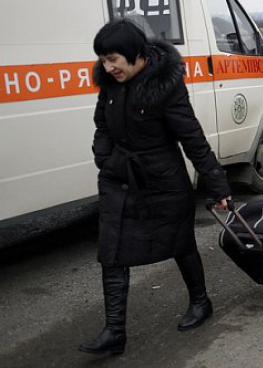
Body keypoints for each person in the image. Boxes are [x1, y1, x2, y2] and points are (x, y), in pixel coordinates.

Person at [80, 19, 231, 355]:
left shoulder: (165, 86)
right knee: (112, 252)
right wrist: (103, 157)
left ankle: (201, 302)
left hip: (163, 181)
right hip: (119, 179)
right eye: (103, 60)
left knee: (180, 243)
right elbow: (102, 125)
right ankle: (114, 331)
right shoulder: (110, 83)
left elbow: (191, 137)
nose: (107, 67)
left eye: (113, 59)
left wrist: (218, 186)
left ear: (135, 54)